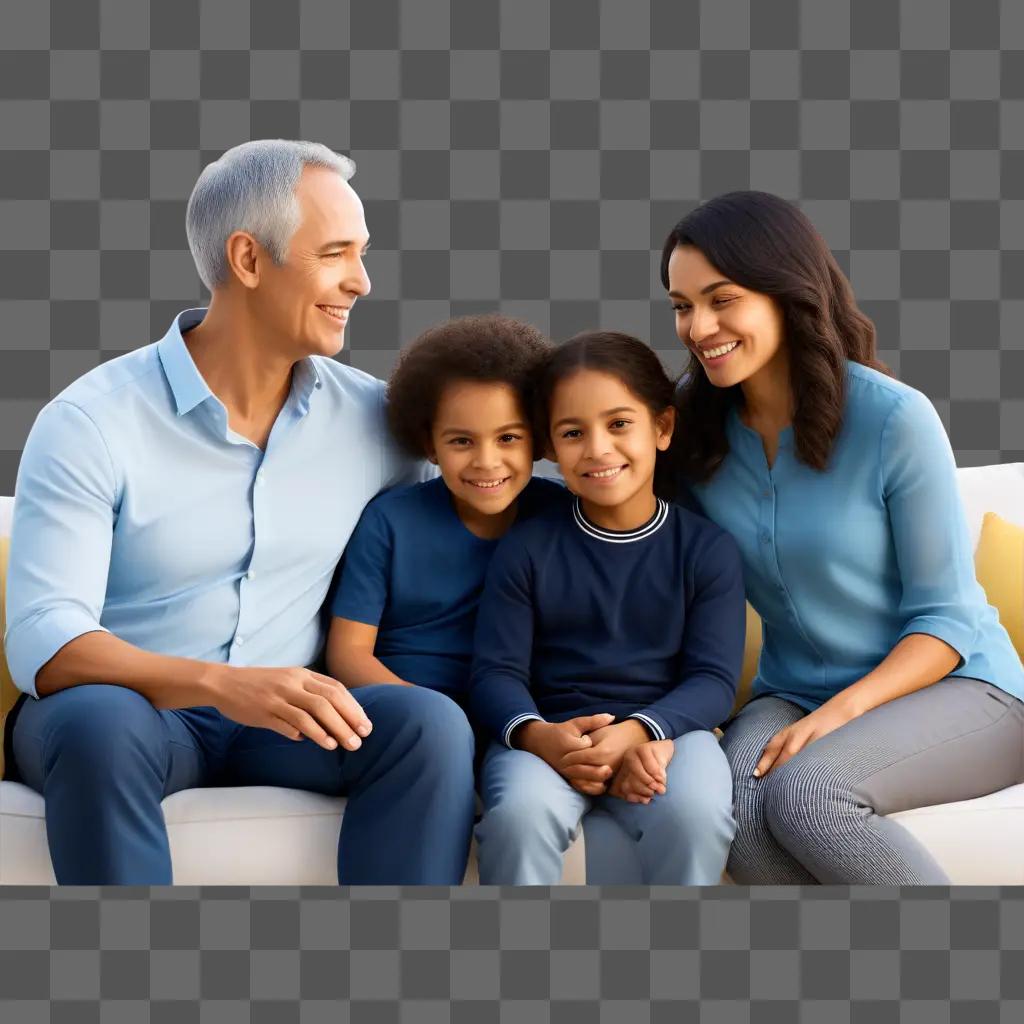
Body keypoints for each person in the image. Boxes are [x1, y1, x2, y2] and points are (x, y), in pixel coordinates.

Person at [3, 140, 475, 886]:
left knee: (428, 724)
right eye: (336, 254)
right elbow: (46, 641)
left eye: (363, 253)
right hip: (133, 714)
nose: (362, 280)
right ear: (249, 260)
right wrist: (223, 685)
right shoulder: (91, 421)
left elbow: (442, 555)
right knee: (99, 722)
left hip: (290, 718)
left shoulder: (380, 423)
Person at [661, 190, 1024, 884]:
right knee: (726, 801)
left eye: (722, 299)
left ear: (786, 293)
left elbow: (945, 621)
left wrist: (839, 716)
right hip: (792, 688)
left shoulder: (894, 419)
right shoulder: (693, 429)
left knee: (808, 793)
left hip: (964, 689)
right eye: (682, 306)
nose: (697, 326)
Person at [469, 331, 744, 885]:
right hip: (548, 735)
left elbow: (713, 679)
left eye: (619, 424)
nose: (597, 449)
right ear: (549, 446)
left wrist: (641, 733)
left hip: (669, 734)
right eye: (573, 433)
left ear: (661, 428)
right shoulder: (527, 547)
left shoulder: (706, 549)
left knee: (695, 815)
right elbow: (495, 673)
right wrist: (540, 737)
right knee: (519, 817)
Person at [326, 313, 564, 712]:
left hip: (518, 713)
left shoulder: (561, 515)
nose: (487, 461)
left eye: (508, 438)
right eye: (461, 441)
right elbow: (348, 655)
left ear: (538, 438)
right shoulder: (390, 522)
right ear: (431, 445)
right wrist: (432, 715)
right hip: (404, 711)